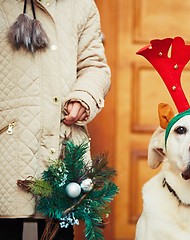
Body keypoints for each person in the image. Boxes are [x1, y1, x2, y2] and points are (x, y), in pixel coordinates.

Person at [0, 0, 110, 239]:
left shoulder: (81, 5)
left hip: (60, 144)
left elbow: (94, 66)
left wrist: (84, 96)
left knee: (58, 231)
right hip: (7, 144)